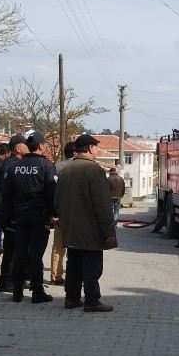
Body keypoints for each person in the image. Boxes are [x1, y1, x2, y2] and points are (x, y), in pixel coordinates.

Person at [56, 134, 117, 313]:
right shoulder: (94, 170)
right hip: (90, 230)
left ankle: (71, 298)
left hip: (70, 227)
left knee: (73, 264)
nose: (97, 150)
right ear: (90, 148)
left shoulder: (66, 169)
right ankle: (92, 300)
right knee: (92, 267)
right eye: (96, 147)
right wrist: (108, 231)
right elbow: (103, 204)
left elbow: (57, 200)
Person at [0, 130, 56, 304]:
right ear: (40, 146)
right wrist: (55, 214)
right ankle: (37, 291)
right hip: (39, 216)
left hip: (19, 216)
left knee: (21, 252)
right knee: (36, 255)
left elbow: (7, 194)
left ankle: (17, 291)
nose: (46, 147)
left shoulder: (16, 165)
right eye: (45, 144)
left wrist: (8, 216)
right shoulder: (46, 166)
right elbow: (52, 193)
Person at [0, 134, 28, 292]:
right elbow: (8, 191)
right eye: (25, 145)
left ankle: (15, 278)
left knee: (17, 248)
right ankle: (7, 281)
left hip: (14, 212)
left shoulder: (17, 163)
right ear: (18, 147)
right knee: (12, 249)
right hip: (11, 214)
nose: (28, 147)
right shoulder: (11, 165)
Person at [50, 142, 76, 285]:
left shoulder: (56, 167)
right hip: (77, 214)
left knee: (58, 247)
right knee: (77, 247)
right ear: (75, 153)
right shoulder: (80, 168)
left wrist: (54, 211)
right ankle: (77, 277)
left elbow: (52, 191)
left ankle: (56, 276)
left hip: (60, 213)